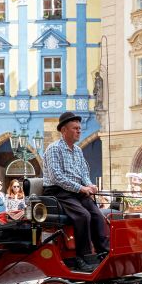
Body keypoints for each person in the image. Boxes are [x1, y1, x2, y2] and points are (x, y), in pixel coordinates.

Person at [43, 111, 109, 272]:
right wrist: (81, 188)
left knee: (97, 215)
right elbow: (57, 177)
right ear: (64, 130)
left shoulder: (78, 151)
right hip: (57, 191)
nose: (79, 131)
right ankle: (83, 257)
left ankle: (103, 252)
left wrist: (89, 186)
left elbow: (84, 173)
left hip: (76, 191)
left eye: (79, 128)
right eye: (75, 128)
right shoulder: (54, 149)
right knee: (82, 215)